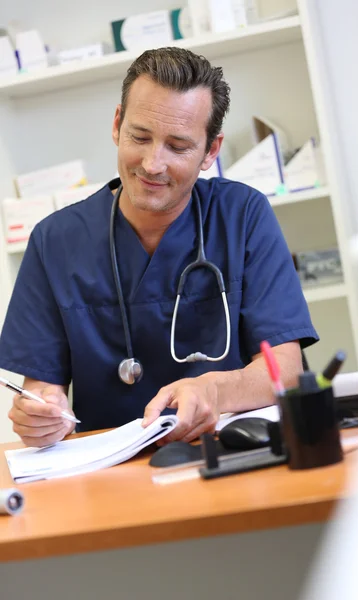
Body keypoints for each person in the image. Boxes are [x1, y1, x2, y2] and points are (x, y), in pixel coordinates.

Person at [0, 47, 318, 448]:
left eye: (178, 146)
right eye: (140, 136)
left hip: (227, 454)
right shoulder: (54, 241)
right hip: (109, 473)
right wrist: (43, 417)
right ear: (117, 125)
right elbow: (44, 390)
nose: (152, 163)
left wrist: (214, 391)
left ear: (211, 151)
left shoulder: (242, 215)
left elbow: (285, 371)